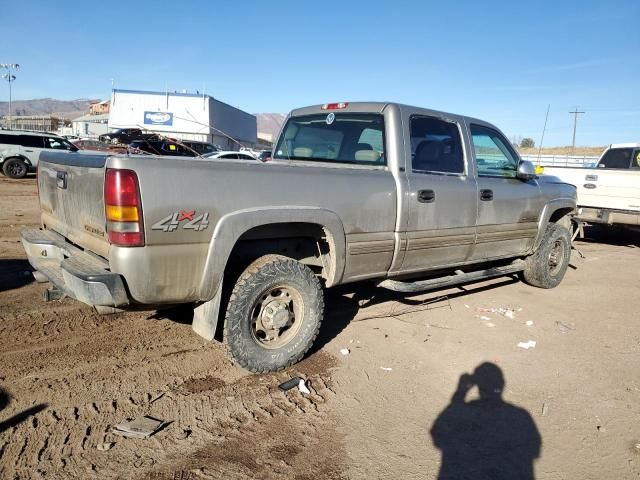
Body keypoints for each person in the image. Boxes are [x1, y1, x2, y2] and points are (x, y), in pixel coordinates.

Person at [430, 363, 541, 480]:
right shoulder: (520, 416)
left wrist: (460, 392)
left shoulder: (467, 411)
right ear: (502, 384)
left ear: (477, 386)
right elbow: (534, 449)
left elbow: (438, 432)